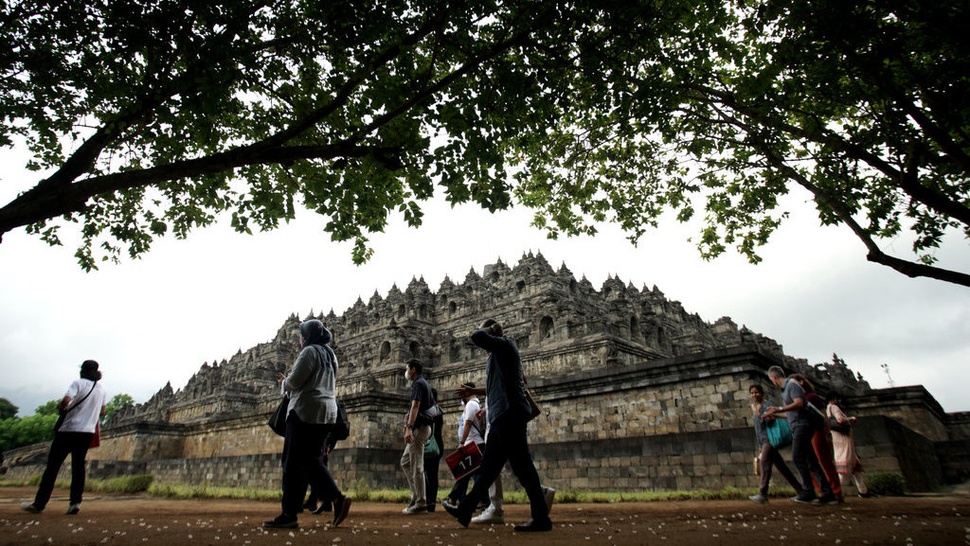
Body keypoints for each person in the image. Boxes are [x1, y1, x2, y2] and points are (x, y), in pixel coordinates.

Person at [444, 319, 553, 532]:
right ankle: (465, 508)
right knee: (489, 469)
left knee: (520, 467)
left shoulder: (504, 345)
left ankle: (541, 517)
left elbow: (476, 336)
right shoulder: (498, 355)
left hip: (509, 414)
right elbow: (498, 385)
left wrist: (489, 329)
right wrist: (475, 392)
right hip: (502, 416)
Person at [263, 319, 351, 529]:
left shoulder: (310, 352)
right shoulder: (331, 355)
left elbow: (294, 382)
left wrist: (283, 383)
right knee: (310, 460)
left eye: (302, 335)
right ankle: (335, 499)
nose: (300, 339)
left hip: (305, 411)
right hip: (327, 413)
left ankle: (290, 513)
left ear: (308, 337)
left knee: (292, 463)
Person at [22, 359, 107, 515]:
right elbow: (103, 412)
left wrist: (61, 407)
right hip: (87, 432)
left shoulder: (78, 383)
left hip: (69, 430)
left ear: (83, 370)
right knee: (78, 467)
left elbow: (67, 400)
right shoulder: (101, 390)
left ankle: (39, 504)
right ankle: (75, 502)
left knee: (53, 467)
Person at [765, 366, 837, 505]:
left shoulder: (792, 385)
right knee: (810, 460)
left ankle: (808, 492)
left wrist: (779, 408)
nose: (772, 382)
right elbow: (791, 412)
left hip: (802, 425)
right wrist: (775, 414)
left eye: (771, 379)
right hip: (797, 424)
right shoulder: (786, 389)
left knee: (797, 456)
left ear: (774, 377)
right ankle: (827, 492)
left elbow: (799, 403)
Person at [791, 373, 844, 502]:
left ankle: (835, 492)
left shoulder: (811, 397)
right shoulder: (800, 398)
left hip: (816, 430)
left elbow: (823, 415)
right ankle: (821, 490)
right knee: (809, 462)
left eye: (793, 383)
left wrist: (827, 431)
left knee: (823, 460)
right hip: (804, 430)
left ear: (801, 382)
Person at [747, 384, 804, 504]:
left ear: (762, 393)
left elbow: (770, 419)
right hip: (764, 440)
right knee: (782, 467)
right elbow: (758, 428)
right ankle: (801, 491)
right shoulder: (756, 406)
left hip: (770, 439)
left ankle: (763, 493)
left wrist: (758, 413)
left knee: (764, 464)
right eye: (752, 393)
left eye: (756, 392)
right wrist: (759, 445)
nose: (754, 395)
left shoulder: (767, 405)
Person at [401, 358, 434, 514]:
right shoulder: (424, 383)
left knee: (416, 465)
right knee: (406, 462)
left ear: (413, 369)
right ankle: (416, 495)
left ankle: (421, 502)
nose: (406, 372)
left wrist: (409, 427)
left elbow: (416, 406)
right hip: (422, 427)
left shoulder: (418, 384)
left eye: (407, 368)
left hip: (419, 429)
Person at [826, 391, 874, 498]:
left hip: (836, 436)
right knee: (845, 465)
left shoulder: (828, 408)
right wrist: (851, 419)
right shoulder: (834, 407)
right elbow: (840, 420)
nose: (837, 400)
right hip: (844, 437)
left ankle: (863, 490)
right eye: (836, 398)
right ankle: (836, 491)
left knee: (854, 466)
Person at [444, 382, 485, 506]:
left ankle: (455, 498)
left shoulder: (471, 404)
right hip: (475, 442)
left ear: (468, 391)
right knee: (468, 474)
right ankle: (457, 498)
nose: (460, 395)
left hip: (473, 443)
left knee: (466, 474)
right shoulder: (476, 404)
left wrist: (462, 442)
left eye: (462, 392)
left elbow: (467, 424)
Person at [424, 387, 445, 512]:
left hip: (429, 446)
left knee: (421, 472)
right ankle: (431, 502)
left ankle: (424, 499)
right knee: (433, 475)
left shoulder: (429, 411)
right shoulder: (439, 410)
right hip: (438, 445)